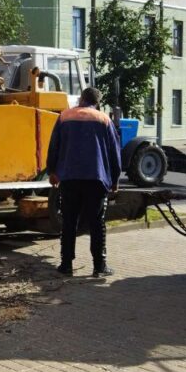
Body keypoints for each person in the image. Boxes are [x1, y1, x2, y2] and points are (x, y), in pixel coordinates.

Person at [46, 86, 122, 278]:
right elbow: (114, 152)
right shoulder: (104, 119)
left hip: (69, 177)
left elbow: (54, 146)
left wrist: (52, 171)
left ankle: (66, 265)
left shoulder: (64, 117)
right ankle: (99, 266)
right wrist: (115, 179)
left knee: (69, 220)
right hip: (96, 178)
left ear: (81, 99)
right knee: (97, 223)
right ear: (97, 102)